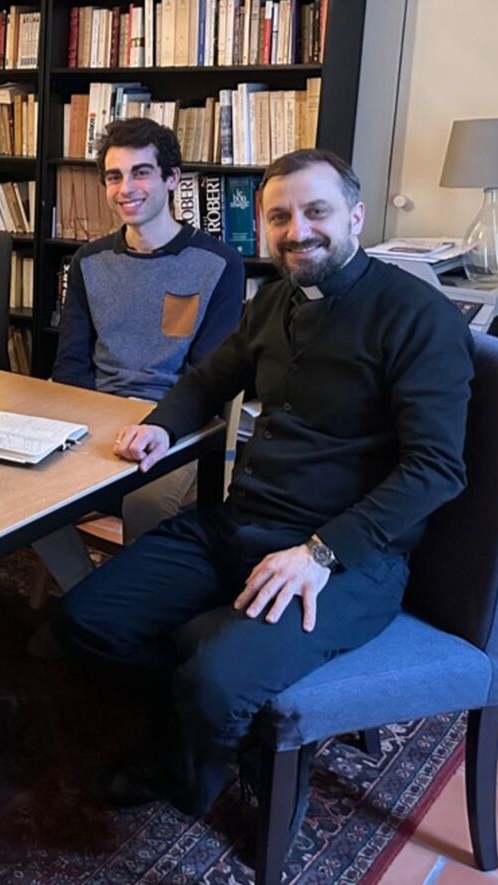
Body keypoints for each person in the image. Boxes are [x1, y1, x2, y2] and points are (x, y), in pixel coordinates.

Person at [54, 148, 474, 821]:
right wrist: (161, 426)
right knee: (86, 619)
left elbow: (436, 469)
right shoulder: (274, 300)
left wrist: (319, 552)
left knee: (215, 679)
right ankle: (209, 728)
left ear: (356, 216)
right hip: (237, 523)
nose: (297, 230)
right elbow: (209, 379)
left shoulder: (419, 317)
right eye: (279, 217)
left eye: (316, 212)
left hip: (344, 557)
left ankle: (190, 770)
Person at [34, 119, 245, 597]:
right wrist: (85, 424)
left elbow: (207, 376)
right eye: (114, 176)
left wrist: (156, 424)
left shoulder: (219, 263)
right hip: (96, 417)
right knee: (26, 492)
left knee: (144, 504)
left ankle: (120, 608)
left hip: (177, 423)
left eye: (141, 172)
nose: (126, 188)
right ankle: (88, 598)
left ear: (172, 178)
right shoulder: (89, 262)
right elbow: (71, 364)